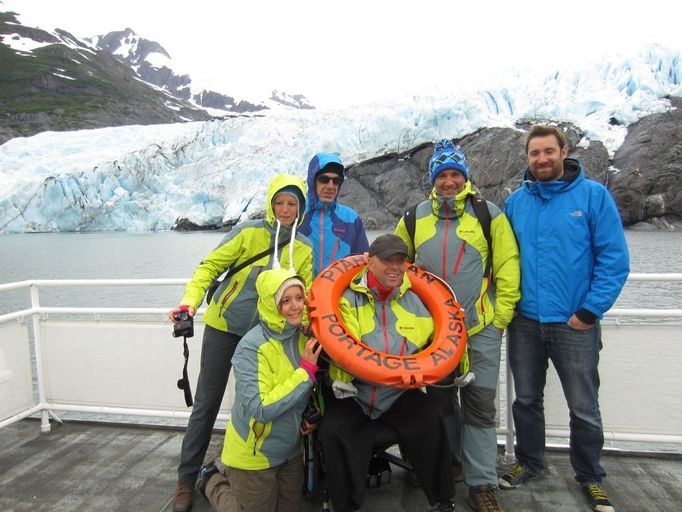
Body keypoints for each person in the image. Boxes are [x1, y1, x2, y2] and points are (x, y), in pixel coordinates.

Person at [500, 125, 629, 512]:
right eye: (534, 153)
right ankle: (529, 462)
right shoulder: (516, 204)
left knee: (583, 406)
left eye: (548, 152)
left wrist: (590, 311)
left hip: (574, 323)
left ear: (563, 151)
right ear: (527, 157)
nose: (542, 159)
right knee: (525, 400)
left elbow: (614, 258)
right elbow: (502, 260)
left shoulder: (592, 197)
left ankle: (591, 477)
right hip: (525, 321)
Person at [168, 174, 314, 512]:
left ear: (302, 208)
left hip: (274, 338)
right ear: (270, 203)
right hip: (227, 328)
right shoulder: (248, 233)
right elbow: (210, 267)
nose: (285, 209)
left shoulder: (305, 247)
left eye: (292, 203)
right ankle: (187, 480)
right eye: (279, 202)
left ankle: (255, 467)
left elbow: (307, 292)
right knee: (207, 403)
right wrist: (189, 302)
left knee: (272, 401)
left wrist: (307, 323)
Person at [394, 139, 520, 512]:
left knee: (480, 405)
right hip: (434, 334)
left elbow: (508, 267)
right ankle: (450, 464)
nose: (448, 181)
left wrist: (499, 319)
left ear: (465, 177)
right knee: (439, 403)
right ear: (433, 179)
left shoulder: (488, 214)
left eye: (455, 174)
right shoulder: (415, 218)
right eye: (442, 175)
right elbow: (398, 269)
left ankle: (481, 482)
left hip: (479, 329)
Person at [318, 234, 456, 512]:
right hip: (355, 392)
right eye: (387, 261)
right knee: (333, 431)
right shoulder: (345, 300)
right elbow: (341, 349)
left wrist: (454, 362)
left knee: (432, 418)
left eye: (400, 261)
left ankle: (442, 498)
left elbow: (440, 344)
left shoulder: (417, 302)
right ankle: (343, 504)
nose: (394, 267)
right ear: (370, 262)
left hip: (398, 393)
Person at [195, 266, 322, 512]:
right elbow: (260, 407)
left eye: (299, 298)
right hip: (254, 456)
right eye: (285, 301)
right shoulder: (250, 348)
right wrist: (305, 372)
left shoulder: (303, 338)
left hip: (290, 450)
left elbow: (307, 390)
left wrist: (311, 412)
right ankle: (211, 480)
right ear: (270, 304)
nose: (295, 306)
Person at [298, 152, 369, 275]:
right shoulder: (295, 215)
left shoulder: (351, 220)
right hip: (300, 292)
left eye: (336, 181)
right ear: (312, 180)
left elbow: (363, 266)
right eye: (324, 179)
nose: (331, 186)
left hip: (337, 293)